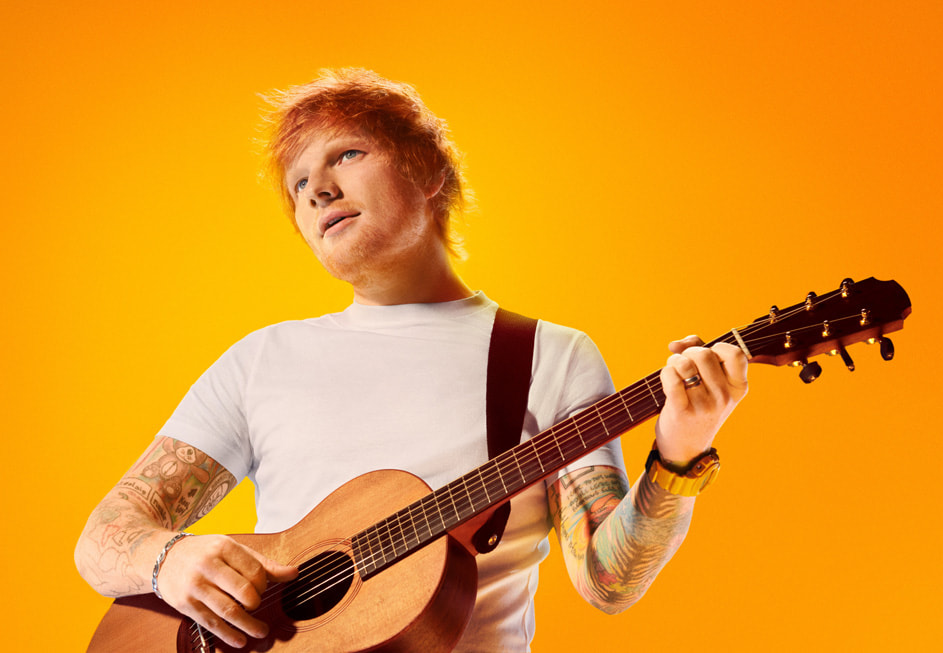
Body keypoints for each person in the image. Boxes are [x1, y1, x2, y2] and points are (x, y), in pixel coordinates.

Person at [75, 68, 749, 652]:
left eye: (346, 154)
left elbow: (609, 579)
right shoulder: (262, 360)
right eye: (299, 183)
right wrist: (170, 560)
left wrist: (681, 453)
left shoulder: (547, 354)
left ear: (427, 172)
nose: (317, 190)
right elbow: (104, 535)